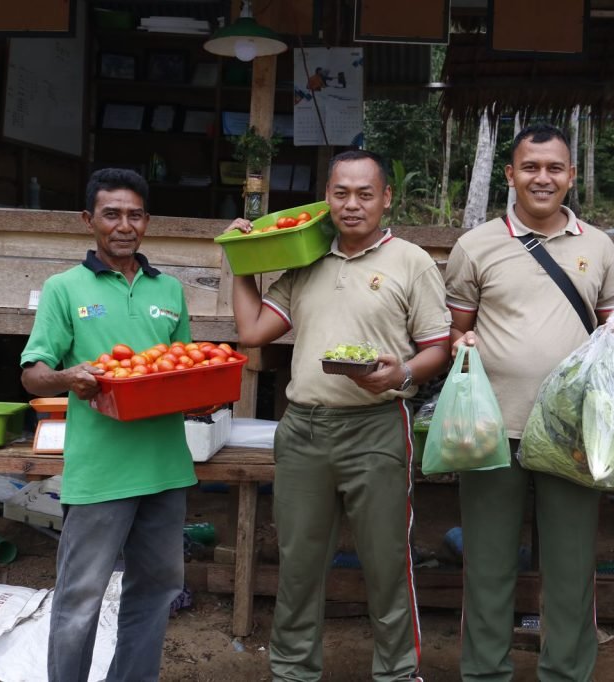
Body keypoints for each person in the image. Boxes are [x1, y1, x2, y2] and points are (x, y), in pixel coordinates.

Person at [225, 149, 451, 681]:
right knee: (299, 565)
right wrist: (240, 258)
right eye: (341, 193)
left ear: (386, 198)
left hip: (375, 427)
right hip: (302, 429)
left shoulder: (411, 262)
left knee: (386, 563)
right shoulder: (307, 260)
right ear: (326, 198)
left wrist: (400, 375)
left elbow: (436, 346)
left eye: (365, 194)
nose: (352, 205)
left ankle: (397, 673)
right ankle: (292, 671)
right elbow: (253, 331)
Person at [444, 124, 614, 681]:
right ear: (510, 175)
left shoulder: (598, 247)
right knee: (487, 567)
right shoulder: (475, 245)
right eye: (530, 167)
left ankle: (567, 674)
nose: (541, 178)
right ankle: (484, 673)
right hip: (490, 428)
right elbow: (456, 331)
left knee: (571, 569)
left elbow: (613, 336)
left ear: (571, 176)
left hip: (573, 432)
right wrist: (460, 344)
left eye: (554, 168)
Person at [20, 168, 196, 681]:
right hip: (101, 473)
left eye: (135, 214)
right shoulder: (63, 288)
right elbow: (33, 376)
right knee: (80, 598)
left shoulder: (170, 291)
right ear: (88, 219)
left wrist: (201, 398)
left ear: (148, 221)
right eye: (112, 213)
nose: (124, 225)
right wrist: (67, 376)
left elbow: (184, 368)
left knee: (157, 591)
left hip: (165, 469)